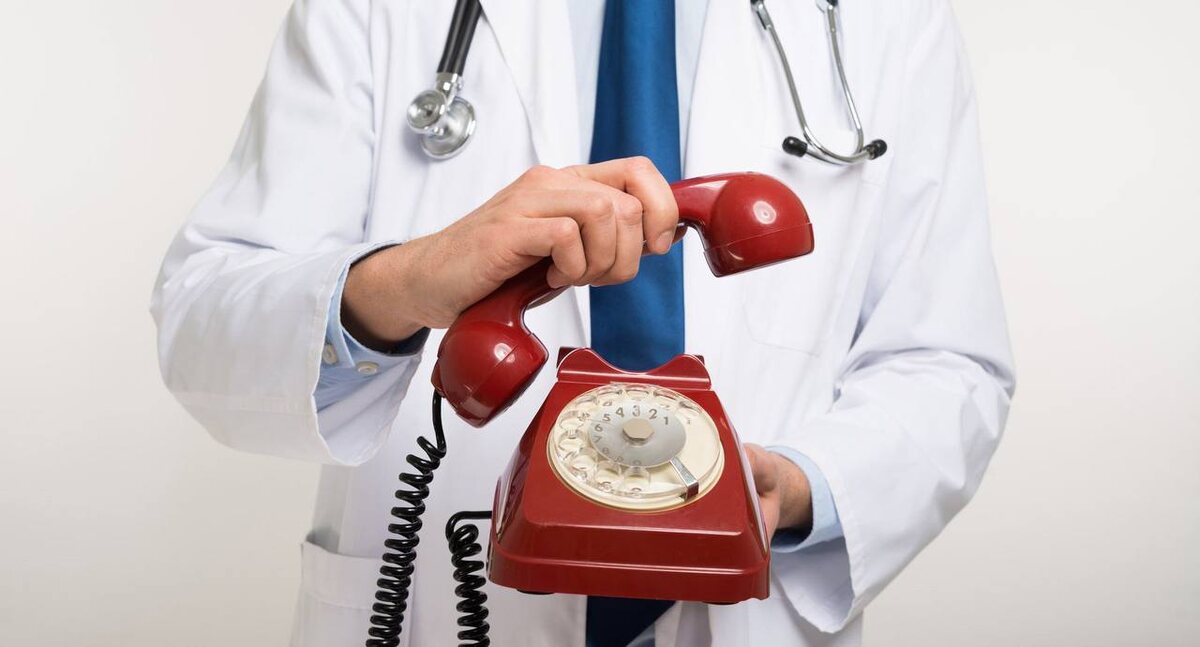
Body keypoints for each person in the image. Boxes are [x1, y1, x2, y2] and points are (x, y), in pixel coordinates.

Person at [151, 0, 1015, 645]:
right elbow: (202, 314)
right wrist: (409, 280)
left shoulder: (888, 18)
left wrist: (800, 488)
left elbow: (947, 361)